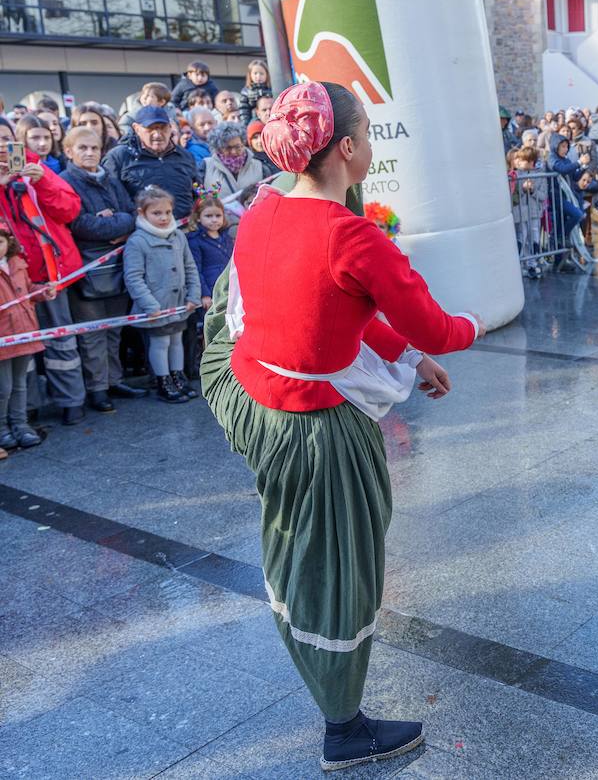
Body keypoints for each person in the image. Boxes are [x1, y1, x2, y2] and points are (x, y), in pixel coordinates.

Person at [199, 80, 482, 771]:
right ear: (348, 149)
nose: (373, 144)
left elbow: (328, 306)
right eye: (369, 132)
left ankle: (316, 661)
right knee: (337, 564)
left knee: (301, 541)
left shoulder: (263, 208)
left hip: (248, 392)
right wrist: (467, 328)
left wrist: (407, 358)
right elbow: (440, 326)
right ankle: (343, 728)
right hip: (309, 426)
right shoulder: (352, 235)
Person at [3, 117, 87, 423]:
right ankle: (24, 412)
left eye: (5, 138)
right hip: (9, 285)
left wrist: (44, 180)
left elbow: (70, 209)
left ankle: (71, 402)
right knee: (18, 350)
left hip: (49, 275)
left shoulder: (35, 167)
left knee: (62, 342)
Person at [61, 126, 144, 412]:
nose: (89, 153)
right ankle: (97, 388)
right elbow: (80, 224)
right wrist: (111, 226)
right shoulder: (65, 182)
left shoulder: (109, 179)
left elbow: (132, 215)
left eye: (94, 148)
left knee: (114, 330)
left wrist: (113, 222)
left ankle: (114, 380)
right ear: (68, 152)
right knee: (92, 334)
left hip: (116, 265)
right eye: (82, 148)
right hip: (87, 270)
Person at [124, 185, 200, 402]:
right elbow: (133, 277)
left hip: (179, 304)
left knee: (177, 340)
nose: (164, 217)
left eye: (167, 212)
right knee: (161, 343)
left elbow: (190, 267)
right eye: (156, 213)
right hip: (156, 307)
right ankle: (163, 380)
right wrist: (150, 305)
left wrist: (193, 295)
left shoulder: (178, 236)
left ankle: (178, 376)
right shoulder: (138, 241)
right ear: (142, 213)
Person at [0, 222, 49, 453]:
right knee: (3, 387)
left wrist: (42, 292)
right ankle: (2, 428)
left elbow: (28, 290)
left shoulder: (18, 264)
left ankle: (20, 424)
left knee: (20, 384)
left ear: (8, 243)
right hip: (2, 337)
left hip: (23, 333)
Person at [103, 106, 203, 219]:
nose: (157, 134)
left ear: (170, 128)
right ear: (136, 129)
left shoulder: (185, 156)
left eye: (163, 128)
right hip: (141, 231)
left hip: (185, 231)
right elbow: (112, 200)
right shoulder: (118, 157)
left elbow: (198, 193)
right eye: (150, 128)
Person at [202, 120, 269, 225]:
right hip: (221, 229)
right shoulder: (206, 167)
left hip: (256, 224)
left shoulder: (260, 167)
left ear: (243, 143)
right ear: (218, 148)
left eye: (237, 147)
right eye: (228, 148)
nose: (233, 152)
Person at [187, 195, 234, 308]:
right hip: (211, 293)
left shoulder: (227, 238)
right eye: (208, 216)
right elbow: (196, 270)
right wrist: (204, 294)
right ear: (198, 217)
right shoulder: (195, 241)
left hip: (229, 290)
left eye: (218, 215)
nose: (214, 220)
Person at [239, 59, 274, 125]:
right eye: (255, 73)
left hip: (270, 118)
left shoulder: (271, 89)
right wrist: (245, 124)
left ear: (267, 75)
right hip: (254, 120)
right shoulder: (246, 91)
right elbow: (243, 109)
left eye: (261, 73)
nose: (258, 76)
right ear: (250, 75)